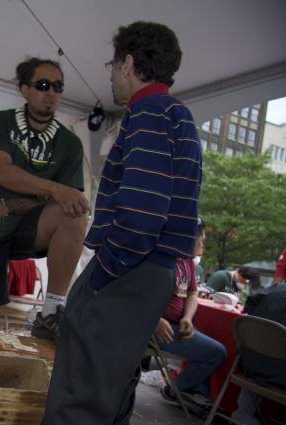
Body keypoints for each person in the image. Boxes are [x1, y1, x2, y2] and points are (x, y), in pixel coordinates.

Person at [43, 21, 202, 424]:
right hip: (151, 270)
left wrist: (103, 274)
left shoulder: (149, 112)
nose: (111, 76)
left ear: (128, 64)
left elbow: (143, 212)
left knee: (81, 392)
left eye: (112, 66)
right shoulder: (177, 115)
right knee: (110, 390)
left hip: (131, 267)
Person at [0, 57, 88, 339]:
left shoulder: (70, 144)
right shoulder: (1, 121)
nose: (50, 92)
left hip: (29, 224)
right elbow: (3, 173)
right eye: (42, 85)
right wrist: (55, 189)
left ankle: (52, 311)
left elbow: (66, 201)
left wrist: (6, 207)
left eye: (57, 86)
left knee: (75, 213)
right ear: (24, 89)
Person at [156, 219, 226, 402]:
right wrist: (155, 319)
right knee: (216, 353)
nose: (202, 246)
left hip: (176, 326)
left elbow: (192, 292)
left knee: (212, 348)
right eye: (201, 240)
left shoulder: (187, 262)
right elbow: (141, 292)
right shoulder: (163, 258)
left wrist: (187, 317)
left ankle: (190, 391)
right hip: (158, 327)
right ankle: (175, 391)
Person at [232, 284, 286, 424]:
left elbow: (249, 306)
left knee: (260, 356)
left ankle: (243, 416)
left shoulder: (276, 289)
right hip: (278, 374)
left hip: (249, 364)